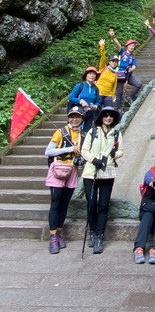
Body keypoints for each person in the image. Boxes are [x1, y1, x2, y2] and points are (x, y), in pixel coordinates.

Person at [81, 106, 123, 254]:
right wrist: (93, 160)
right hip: (91, 172)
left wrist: (115, 154)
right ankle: (92, 231)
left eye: (111, 116)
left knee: (103, 205)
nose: (108, 118)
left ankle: (100, 235)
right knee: (91, 203)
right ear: (101, 117)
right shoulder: (92, 132)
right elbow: (84, 150)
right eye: (105, 115)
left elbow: (121, 151)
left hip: (107, 171)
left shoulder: (116, 134)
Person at [45, 105, 85, 254]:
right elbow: (48, 151)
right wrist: (69, 149)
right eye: (72, 116)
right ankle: (53, 235)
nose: (74, 119)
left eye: (77, 116)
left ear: (82, 119)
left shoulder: (84, 134)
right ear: (68, 118)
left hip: (72, 170)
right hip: (58, 169)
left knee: (65, 203)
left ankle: (59, 231)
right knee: (55, 203)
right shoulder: (60, 132)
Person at [108, 28, 142, 109]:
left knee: (138, 84)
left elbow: (134, 65)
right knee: (119, 92)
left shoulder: (132, 56)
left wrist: (132, 69)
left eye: (133, 46)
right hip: (120, 74)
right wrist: (113, 37)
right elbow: (118, 45)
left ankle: (129, 96)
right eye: (130, 45)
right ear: (127, 46)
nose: (132, 47)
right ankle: (118, 108)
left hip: (128, 74)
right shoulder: (122, 52)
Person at [68, 66, 101, 133]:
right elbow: (71, 97)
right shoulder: (80, 86)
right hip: (78, 114)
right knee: (75, 132)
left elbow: (98, 101)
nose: (92, 76)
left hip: (90, 114)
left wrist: (96, 106)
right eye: (90, 74)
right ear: (86, 75)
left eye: (94, 74)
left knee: (86, 133)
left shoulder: (96, 88)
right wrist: (80, 101)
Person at [97, 39, 119, 107]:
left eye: (116, 62)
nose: (114, 63)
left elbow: (114, 87)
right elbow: (102, 58)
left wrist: (113, 96)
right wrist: (102, 47)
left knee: (108, 110)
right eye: (113, 61)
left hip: (108, 95)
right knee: (97, 110)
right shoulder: (104, 67)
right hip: (99, 92)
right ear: (109, 62)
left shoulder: (115, 75)